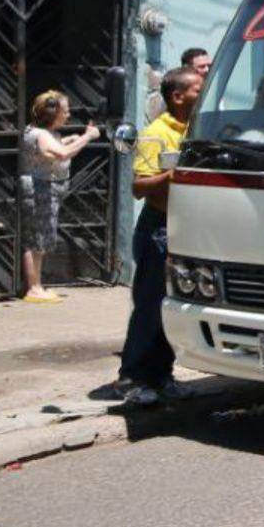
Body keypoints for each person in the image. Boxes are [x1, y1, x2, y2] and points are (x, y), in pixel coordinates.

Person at [109, 66, 202, 406]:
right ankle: (131, 377)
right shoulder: (155, 132)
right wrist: (175, 175)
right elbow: (139, 187)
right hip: (157, 229)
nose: (202, 93)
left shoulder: (196, 129)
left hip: (185, 227)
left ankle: (162, 375)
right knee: (149, 306)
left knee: (171, 307)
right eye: (197, 89)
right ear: (178, 97)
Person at [18, 91, 102, 303]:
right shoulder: (42, 134)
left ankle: (36, 285)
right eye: (65, 111)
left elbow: (50, 149)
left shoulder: (42, 132)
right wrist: (87, 137)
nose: (68, 115)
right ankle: (34, 289)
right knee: (37, 240)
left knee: (40, 238)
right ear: (52, 114)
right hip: (40, 191)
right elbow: (62, 153)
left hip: (45, 189)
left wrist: (70, 138)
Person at [144, 48, 212, 120]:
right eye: (202, 67)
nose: (207, 70)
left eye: (209, 66)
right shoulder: (173, 91)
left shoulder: (216, 90)